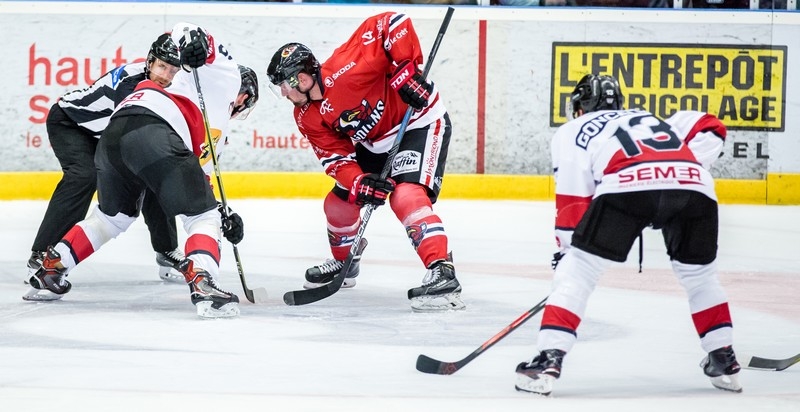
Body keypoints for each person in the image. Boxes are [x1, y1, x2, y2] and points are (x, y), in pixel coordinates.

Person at [515, 74, 741, 395]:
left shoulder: (571, 130)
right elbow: (711, 126)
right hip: (693, 185)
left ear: (580, 107)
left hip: (627, 187)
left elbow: (573, 195)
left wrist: (567, 249)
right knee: (701, 277)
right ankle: (723, 357)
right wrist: (680, 166)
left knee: (576, 273)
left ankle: (548, 359)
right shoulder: (650, 117)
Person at [24, 23, 258, 319]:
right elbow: (188, 31)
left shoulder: (185, 84)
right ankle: (203, 282)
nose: (241, 106)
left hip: (113, 135)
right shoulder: (224, 75)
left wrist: (224, 211)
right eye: (245, 101)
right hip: (150, 131)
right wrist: (199, 40)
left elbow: (200, 179)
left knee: (112, 217)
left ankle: (53, 269)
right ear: (244, 95)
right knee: (201, 217)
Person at [266, 11, 465, 312]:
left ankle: (442, 272)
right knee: (338, 204)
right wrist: (358, 181)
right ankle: (346, 261)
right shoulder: (306, 115)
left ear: (303, 78)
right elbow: (335, 158)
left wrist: (406, 69)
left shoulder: (347, 68)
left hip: (418, 123)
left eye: (285, 85)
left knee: (406, 196)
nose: (283, 93)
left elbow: (394, 23)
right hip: (374, 141)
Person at [27, 33, 185, 284]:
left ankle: (166, 250)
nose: (166, 76)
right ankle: (43, 253)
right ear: (150, 61)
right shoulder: (129, 86)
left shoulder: (172, 86)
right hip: (71, 124)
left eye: (173, 71)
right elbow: (127, 139)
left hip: (106, 132)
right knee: (84, 176)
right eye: (162, 66)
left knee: (156, 170)